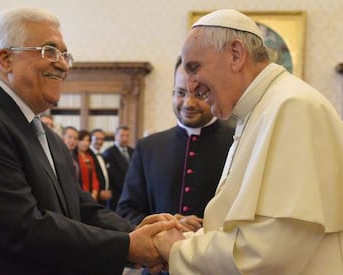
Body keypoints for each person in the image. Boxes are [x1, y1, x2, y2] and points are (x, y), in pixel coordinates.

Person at [0, 7, 180, 275]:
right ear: (5, 59)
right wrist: (127, 246)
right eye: (49, 51)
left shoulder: (49, 137)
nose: (63, 64)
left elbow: (80, 208)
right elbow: (22, 226)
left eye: (65, 55)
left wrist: (139, 232)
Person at [153, 9, 343, 274]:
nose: (192, 86)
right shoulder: (258, 111)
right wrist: (184, 240)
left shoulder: (292, 107)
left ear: (235, 54)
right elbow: (239, 232)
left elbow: (270, 252)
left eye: (195, 67)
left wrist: (177, 249)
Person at [116, 56, 234, 232]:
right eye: (181, 93)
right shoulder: (148, 147)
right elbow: (126, 212)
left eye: (199, 94)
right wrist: (167, 226)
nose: (188, 103)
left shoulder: (236, 142)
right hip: (161, 258)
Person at [103, 125, 134, 211]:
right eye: (122, 135)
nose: (125, 138)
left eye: (127, 136)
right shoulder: (108, 153)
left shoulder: (133, 151)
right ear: (115, 136)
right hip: (116, 196)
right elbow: (111, 176)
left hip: (131, 195)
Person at [90, 128, 113, 206]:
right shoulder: (88, 156)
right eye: (97, 139)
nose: (99, 142)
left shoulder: (102, 156)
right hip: (93, 197)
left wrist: (108, 190)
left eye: (102, 139)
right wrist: (99, 191)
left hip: (104, 198)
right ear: (91, 139)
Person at [76, 129, 100, 201]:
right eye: (83, 140)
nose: (86, 143)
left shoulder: (90, 157)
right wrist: (87, 194)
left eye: (88, 141)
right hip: (80, 194)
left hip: (92, 195)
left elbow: (94, 176)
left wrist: (94, 192)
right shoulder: (74, 158)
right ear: (78, 141)